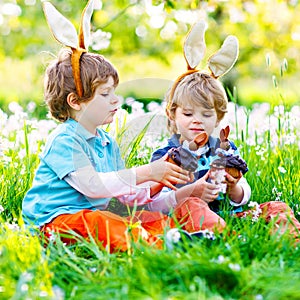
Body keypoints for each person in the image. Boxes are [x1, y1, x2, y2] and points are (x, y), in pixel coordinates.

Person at [22, 0, 192, 253]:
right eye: (105, 94)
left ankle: (178, 238)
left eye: (114, 92)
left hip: (93, 215)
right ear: (76, 102)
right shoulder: (64, 141)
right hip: (55, 222)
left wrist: (157, 180)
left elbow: (119, 194)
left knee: (133, 218)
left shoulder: (106, 142)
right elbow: (93, 185)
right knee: (103, 223)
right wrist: (147, 171)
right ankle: (159, 248)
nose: (115, 100)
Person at [148, 22, 300, 242]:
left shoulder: (224, 150)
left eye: (207, 115)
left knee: (277, 207)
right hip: (191, 220)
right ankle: (230, 241)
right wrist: (191, 192)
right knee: (192, 205)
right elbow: (158, 203)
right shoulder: (167, 156)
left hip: (229, 216)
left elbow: (243, 197)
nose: (197, 122)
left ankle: (289, 243)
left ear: (218, 118)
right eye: (189, 114)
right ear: (172, 114)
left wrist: (234, 188)